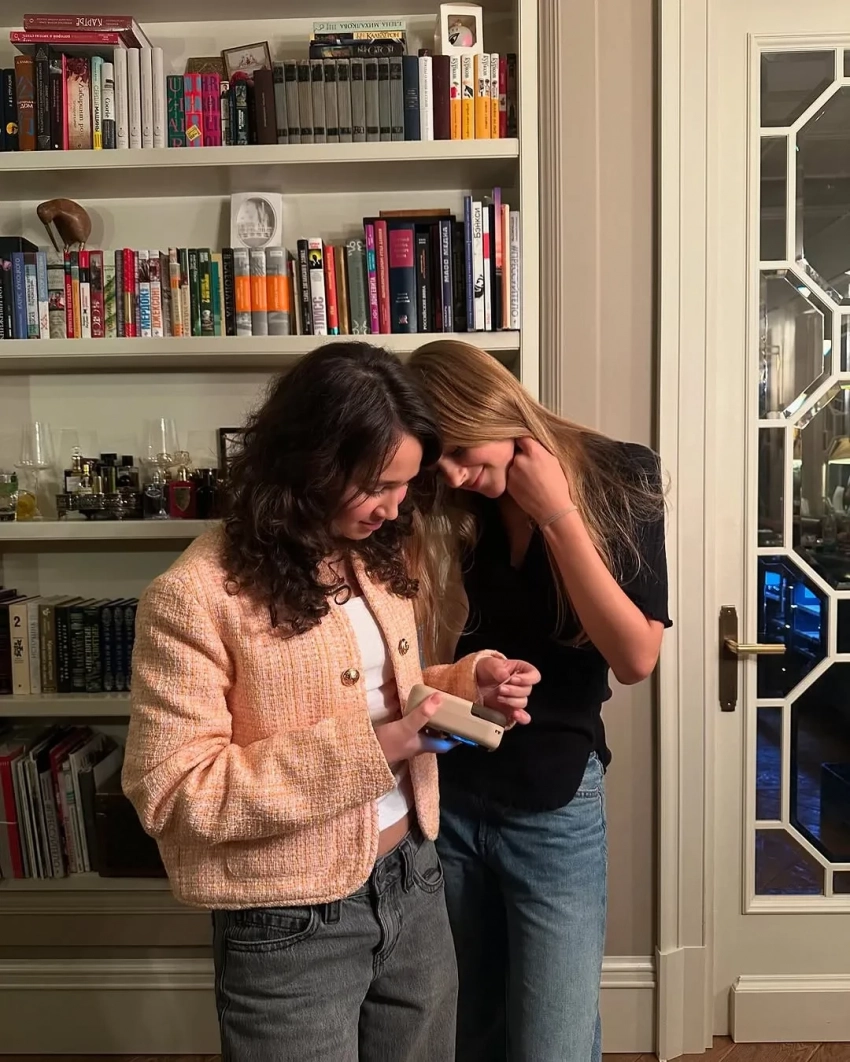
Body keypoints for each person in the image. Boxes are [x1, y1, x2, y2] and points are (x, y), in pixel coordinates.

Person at [122, 342, 541, 1062]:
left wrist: (463, 685)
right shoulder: (193, 596)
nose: (395, 508)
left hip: (414, 876)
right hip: (287, 918)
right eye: (379, 485)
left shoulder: (370, 554)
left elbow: (379, 693)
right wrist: (382, 746)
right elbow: (173, 791)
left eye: (406, 486)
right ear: (310, 465)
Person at [408, 339, 671, 1062]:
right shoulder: (453, 499)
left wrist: (556, 515)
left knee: (553, 1043)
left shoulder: (621, 473)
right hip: (450, 792)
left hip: (553, 801)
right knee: (471, 1032)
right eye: (438, 461)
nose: (453, 474)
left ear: (493, 409)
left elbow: (636, 657)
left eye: (460, 450)